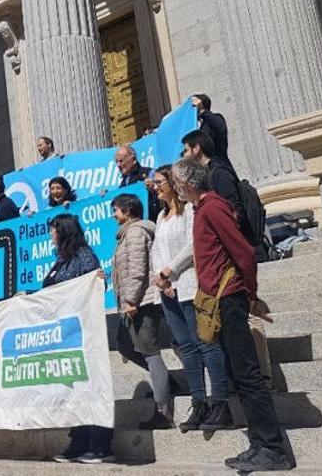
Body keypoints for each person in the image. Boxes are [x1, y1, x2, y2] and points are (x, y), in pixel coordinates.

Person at [171, 159, 290, 472]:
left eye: (175, 181)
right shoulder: (201, 210)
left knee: (248, 375)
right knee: (239, 375)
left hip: (229, 298)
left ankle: (273, 448)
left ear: (187, 183)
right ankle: (259, 443)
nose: (174, 187)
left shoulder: (212, 207)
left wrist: (250, 295)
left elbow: (244, 252)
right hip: (216, 299)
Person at [149, 165, 232, 433]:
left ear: (174, 183)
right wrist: (160, 278)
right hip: (167, 289)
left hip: (188, 284)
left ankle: (220, 401)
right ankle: (199, 402)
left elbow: (192, 245)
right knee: (186, 347)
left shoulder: (189, 212)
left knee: (205, 343)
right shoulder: (161, 216)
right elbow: (156, 251)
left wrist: (169, 271)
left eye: (160, 181)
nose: (156, 186)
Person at [43, 214, 113, 464]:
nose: (51, 234)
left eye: (54, 230)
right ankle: (79, 441)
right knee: (73, 389)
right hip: (65, 333)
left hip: (84, 332)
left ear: (64, 231)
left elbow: (94, 287)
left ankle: (100, 444)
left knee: (90, 387)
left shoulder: (84, 255)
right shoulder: (60, 260)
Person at [110, 192, 173, 430]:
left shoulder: (136, 233)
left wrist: (130, 300)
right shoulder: (126, 235)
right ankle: (164, 382)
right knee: (125, 343)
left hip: (142, 302)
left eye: (116, 210)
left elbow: (137, 270)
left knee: (149, 350)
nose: (114, 215)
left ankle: (163, 410)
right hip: (135, 301)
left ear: (127, 212)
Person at [182, 130, 244, 218]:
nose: (183, 155)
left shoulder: (218, 173)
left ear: (196, 148)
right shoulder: (205, 173)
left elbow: (235, 208)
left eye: (185, 151)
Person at [192, 94, 232, 171]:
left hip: (220, 167)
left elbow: (220, 127)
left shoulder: (213, 119)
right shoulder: (196, 126)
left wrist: (202, 111)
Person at [116, 146, 159, 216]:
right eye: (116, 162)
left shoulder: (149, 173)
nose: (118, 165)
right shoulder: (123, 184)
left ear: (133, 160)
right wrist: (106, 196)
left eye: (121, 161)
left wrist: (153, 189)